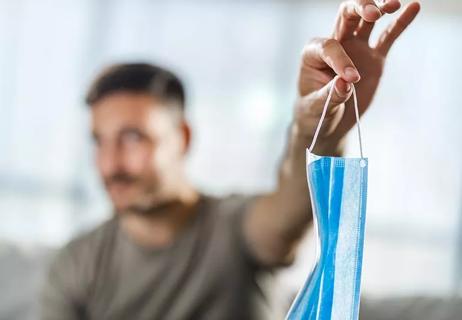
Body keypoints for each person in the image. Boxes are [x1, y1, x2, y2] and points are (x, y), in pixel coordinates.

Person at [40, 0, 420, 319]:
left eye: (133, 138)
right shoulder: (76, 265)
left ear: (183, 138)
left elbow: (286, 215)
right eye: (99, 142)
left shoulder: (234, 229)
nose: (111, 164)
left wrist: (319, 129)